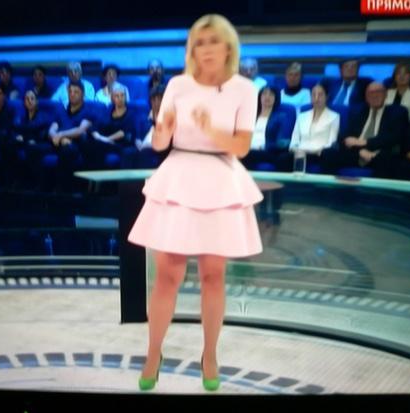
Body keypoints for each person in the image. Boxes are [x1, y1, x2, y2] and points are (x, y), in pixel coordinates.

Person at [128, 14, 263, 392]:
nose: (206, 50)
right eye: (199, 43)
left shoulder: (244, 89)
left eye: (213, 41)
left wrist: (209, 128)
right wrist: (164, 129)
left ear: (228, 48)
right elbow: (159, 143)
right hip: (179, 177)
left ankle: (210, 355)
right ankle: (153, 353)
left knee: (213, 276)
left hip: (221, 179)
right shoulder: (178, 85)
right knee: (167, 276)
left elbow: (241, 146)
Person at [283, 83, 339, 171]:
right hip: (300, 151)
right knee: (283, 159)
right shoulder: (302, 116)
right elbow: (294, 140)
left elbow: (331, 142)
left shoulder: (334, 116)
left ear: (327, 97)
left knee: (329, 156)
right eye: (313, 95)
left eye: (320, 95)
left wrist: (311, 151)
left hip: (319, 153)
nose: (316, 98)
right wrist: (296, 149)